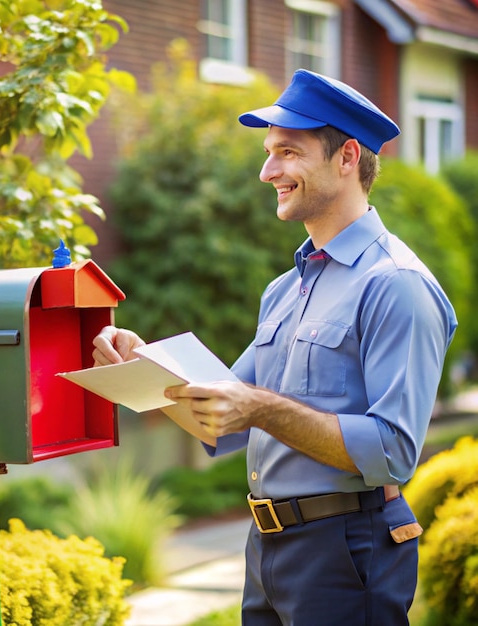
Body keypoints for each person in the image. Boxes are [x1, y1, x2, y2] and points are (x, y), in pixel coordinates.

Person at [92, 69, 457, 626]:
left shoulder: (396, 284)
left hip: (348, 550)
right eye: (268, 153)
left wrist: (261, 408)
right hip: (268, 549)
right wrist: (143, 370)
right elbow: (224, 419)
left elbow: (393, 452)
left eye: (288, 152)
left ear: (347, 156)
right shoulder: (285, 290)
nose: (268, 172)